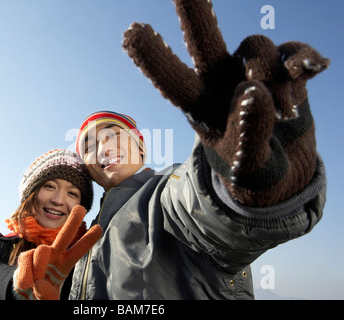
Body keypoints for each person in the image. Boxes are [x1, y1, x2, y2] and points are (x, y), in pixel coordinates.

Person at [68, 0, 329, 299]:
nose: (102, 145)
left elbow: (199, 212)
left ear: (141, 148)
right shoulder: (83, 237)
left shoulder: (166, 192)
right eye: (88, 144)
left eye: (114, 134)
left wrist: (237, 190)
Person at [0, 149, 102, 300]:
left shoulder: (92, 255)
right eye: (50, 186)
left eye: (72, 193)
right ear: (30, 193)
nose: (58, 200)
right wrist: (16, 288)